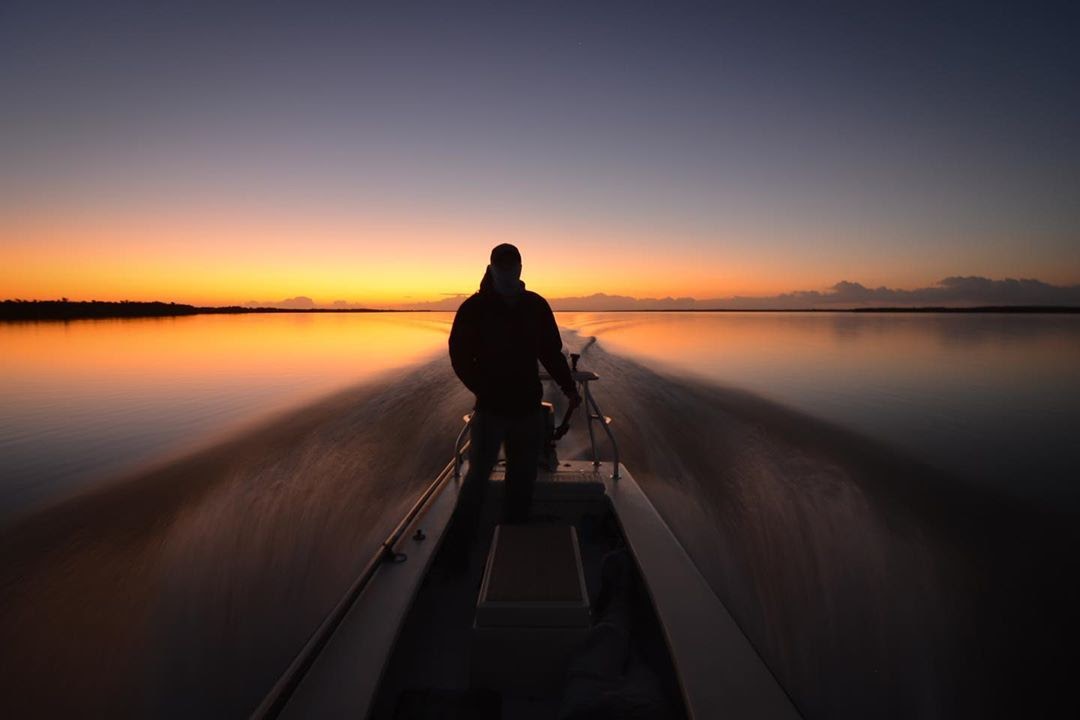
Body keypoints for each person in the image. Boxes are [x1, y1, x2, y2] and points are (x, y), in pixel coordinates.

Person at [448, 243, 581, 550]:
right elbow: (459, 356)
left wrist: (569, 388)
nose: (508, 272)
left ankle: (515, 535)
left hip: (527, 410)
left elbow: (550, 352)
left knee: (523, 479)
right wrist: (482, 388)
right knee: (477, 479)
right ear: (492, 268)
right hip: (490, 411)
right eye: (502, 266)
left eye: (513, 266)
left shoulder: (535, 305)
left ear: (521, 268)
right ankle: (459, 546)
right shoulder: (474, 308)